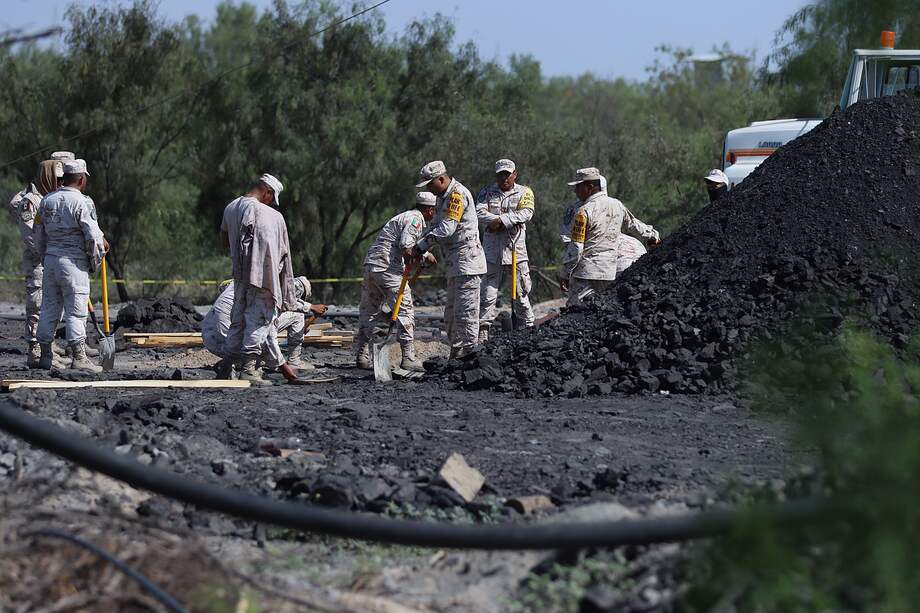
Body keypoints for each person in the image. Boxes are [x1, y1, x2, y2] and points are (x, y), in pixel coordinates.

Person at [219, 173, 300, 384]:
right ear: (268, 192)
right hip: (263, 279)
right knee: (258, 322)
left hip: (239, 277)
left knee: (237, 322)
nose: (272, 202)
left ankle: (226, 367)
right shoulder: (269, 214)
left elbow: (224, 241)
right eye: (272, 198)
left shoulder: (231, 207)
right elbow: (279, 254)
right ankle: (248, 369)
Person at [33, 159, 107, 372]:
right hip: (74, 263)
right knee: (76, 311)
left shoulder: (46, 201)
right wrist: (94, 262)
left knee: (49, 308)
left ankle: (46, 356)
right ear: (82, 179)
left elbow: (39, 234)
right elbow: (94, 237)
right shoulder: (82, 202)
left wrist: (45, 255)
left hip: (51, 261)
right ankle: (80, 358)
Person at [407, 161, 487, 359]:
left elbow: (446, 229)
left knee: (466, 313)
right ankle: (456, 352)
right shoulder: (442, 198)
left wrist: (421, 246)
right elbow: (434, 225)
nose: (428, 189)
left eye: (430, 184)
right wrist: (416, 245)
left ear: (441, 179)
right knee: (451, 314)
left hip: (467, 263)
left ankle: (470, 354)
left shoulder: (456, 195)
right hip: (455, 264)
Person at [354, 192, 437, 371]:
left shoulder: (403, 216)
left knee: (369, 311)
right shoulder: (416, 219)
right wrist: (423, 256)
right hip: (388, 268)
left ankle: (362, 355)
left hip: (372, 266)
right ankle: (408, 357)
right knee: (405, 310)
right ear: (430, 210)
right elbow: (407, 248)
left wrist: (423, 258)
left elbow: (405, 247)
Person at [560, 167, 660, 307]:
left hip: (586, 273)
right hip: (609, 272)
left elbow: (576, 247)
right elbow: (633, 225)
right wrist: (652, 236)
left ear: (590, 187)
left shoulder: (583, 211)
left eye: (578, 186)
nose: (575, 190)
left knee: (575, 310)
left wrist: (565, 274)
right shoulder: (617, 204)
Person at [202, 276, 326, 371]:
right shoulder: (268, 292)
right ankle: (294, 361)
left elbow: (222, 288)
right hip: (231, 342)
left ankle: (232, 362)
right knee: (297, 316)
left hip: (209, 339)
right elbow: (284, 302)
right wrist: (311, 307)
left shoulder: (241, 280)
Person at [8, 159, 63, 367]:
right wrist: (50, 253)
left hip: (52, 260)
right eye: (57, 179)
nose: (60, 183)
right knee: (37, 305)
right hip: (38, 262)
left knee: (53, 305)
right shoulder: (30, 202)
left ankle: (48, 345)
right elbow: (30, 236)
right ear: (47, 176)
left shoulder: (52, 198)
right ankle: (35, 350)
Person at [476, 159, 535, 342]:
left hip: (516, 250)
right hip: (492, 252)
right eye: (501, 174)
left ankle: (529, 329)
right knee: (487, 293)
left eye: (508, 174)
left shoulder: (525, 192)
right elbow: (479, 212)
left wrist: (501, 221)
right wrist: (498, 221)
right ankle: (483, 331)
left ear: (515, 174)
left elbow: (527, 213)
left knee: (521, 293)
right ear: (496, 175)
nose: (504, 178)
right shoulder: (486, 192)